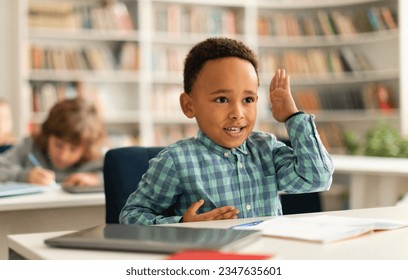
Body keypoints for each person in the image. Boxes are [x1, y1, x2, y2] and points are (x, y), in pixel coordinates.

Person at [120, 37, 334, 225]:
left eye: (248, 100)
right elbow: (132, 216)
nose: (238, 113)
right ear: (189, 105)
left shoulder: (266, 148)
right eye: (222, 99)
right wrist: (182, 223)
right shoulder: (176, 161)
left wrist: (292, 117)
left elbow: (317, 179)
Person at [0, 98, 106, 186]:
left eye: (73, 149)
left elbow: (119, 175)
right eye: (58, 145)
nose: (63, 156)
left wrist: (97, 179)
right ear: (47, 135)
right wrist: (23, 175)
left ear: (86, 148)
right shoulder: (30, 147)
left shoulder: (95, 157)